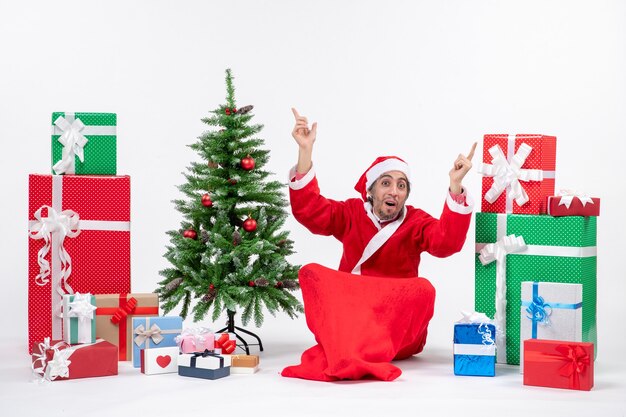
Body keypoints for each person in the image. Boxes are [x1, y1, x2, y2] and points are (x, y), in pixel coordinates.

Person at [281, 108, 477, 382]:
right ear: (370, 191)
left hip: (395, 325)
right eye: (386, 183)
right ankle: (356, 344)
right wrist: (305, 152)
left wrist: (455, 186)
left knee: (424, 289)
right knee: (311, 271)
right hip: (354, 314)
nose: (394, 191)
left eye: (401, 185)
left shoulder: (416, 221)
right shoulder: (349, 213)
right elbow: (310, 212)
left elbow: (446, 243)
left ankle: (358, 346)